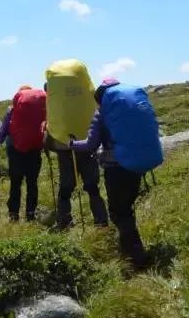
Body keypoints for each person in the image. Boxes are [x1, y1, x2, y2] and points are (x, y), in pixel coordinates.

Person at [69, 79, 163, 269]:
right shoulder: (133, 107)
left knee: (119, 212)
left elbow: (90, 144)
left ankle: (136, 257)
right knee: (126, 207)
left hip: (116, 168)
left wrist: (72, 144)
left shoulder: (103, 113)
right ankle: (128, 246)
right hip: (136, 165)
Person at [44, 59, 109, 229]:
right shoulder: (84, 90)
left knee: (66, 185)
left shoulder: (53, 98)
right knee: (92, 185)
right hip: (86, 141)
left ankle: (64, 221)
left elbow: (51, 123)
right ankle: (101, 221)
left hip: (63, 144)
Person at [0, 85, 47, 222]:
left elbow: (5, 128)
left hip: (15, 149)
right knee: (32, 183)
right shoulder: (40, 109)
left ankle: (13, 213)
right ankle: (30, 213)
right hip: (34, 149)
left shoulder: (13, 110)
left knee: (16, 182)